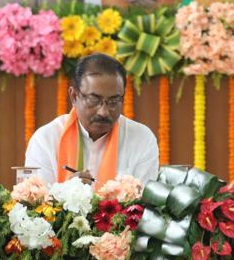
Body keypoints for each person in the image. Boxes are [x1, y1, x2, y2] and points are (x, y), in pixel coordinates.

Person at [25, 53, 159, 185]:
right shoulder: (46, 140)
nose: (104, 112)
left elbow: (145, 203)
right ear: (74, 96)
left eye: (114, 101)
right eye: (94, 99)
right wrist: (65, 194)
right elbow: (36, 203)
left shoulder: (142, 139)